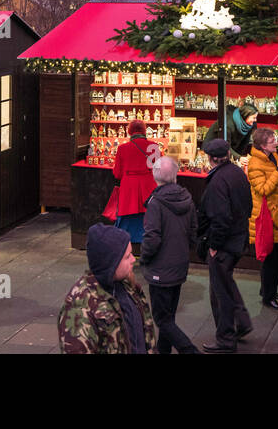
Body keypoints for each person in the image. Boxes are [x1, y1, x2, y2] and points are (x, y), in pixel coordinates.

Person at [58, 222, 156, 353]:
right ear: (111, 263)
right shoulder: (79, 307)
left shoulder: (129, 287)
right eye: (127, 257)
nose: (133, 259)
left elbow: (145, 336)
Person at [198, 137, 252, 352]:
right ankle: (242, 322)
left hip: (224, 243)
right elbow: (247, 205)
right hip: (239, 238)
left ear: (211, 158)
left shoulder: (218, 181)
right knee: (226, 283)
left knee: (220, 292)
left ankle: (226, 339)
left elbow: (220, 217)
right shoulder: (237, 173)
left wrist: (214, 245)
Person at [140, 155, 198, 354]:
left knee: (162, 319)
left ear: (155, 176)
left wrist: (144, 258)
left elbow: (152, 238)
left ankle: (189, 350)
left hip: (160, 268)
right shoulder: (187, 198)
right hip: (179, 264)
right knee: (169, 316)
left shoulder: (156, 203)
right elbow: (193, 232)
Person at [246, 127, 278, 310]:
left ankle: (270, 291)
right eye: (273, 141)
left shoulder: (273, 156)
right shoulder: (255, 163)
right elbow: (263, 189)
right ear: (263, 145)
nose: (276, 143)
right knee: (271, 260)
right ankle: (269, 295)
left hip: (276, 216)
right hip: (266, 218)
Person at [110, 121, 158, 246]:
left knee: (128, 217)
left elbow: (117, 174)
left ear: (129, 131)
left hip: (129, 188)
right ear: (144, 131)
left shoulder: (122, 148)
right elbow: (159, 171)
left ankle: (128, 244)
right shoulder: (154, 146)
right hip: (149, 186)